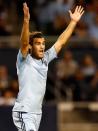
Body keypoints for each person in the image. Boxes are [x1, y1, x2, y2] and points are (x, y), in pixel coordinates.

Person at [12, 2, 84, 131]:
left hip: (36, 113)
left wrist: (73, 22)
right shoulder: (24, 60)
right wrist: (26, 21)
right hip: (24, 112)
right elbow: (23, 43)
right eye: (38, 43)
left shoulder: (45, 58)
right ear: (30, 46)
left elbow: (61, 42)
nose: (42, 46)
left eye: (43, 43)